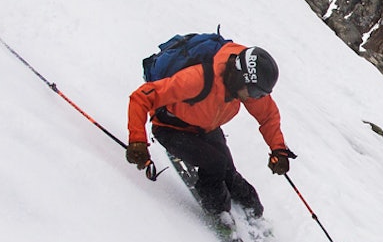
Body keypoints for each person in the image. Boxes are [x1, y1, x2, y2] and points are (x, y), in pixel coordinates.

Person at [126, 41, 295, 216]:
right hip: (171, 128)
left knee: (230, 175)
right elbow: (142, 97)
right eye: (255, 93)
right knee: (215, 164)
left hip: (205, 128)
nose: (256, 98)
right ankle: (218, 211)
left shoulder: (246, 85)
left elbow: (268, 116)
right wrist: (137, 141)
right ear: (241, 78)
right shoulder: (198, 79)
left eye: (261, 94)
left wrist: (279, 150)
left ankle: (253, 210)